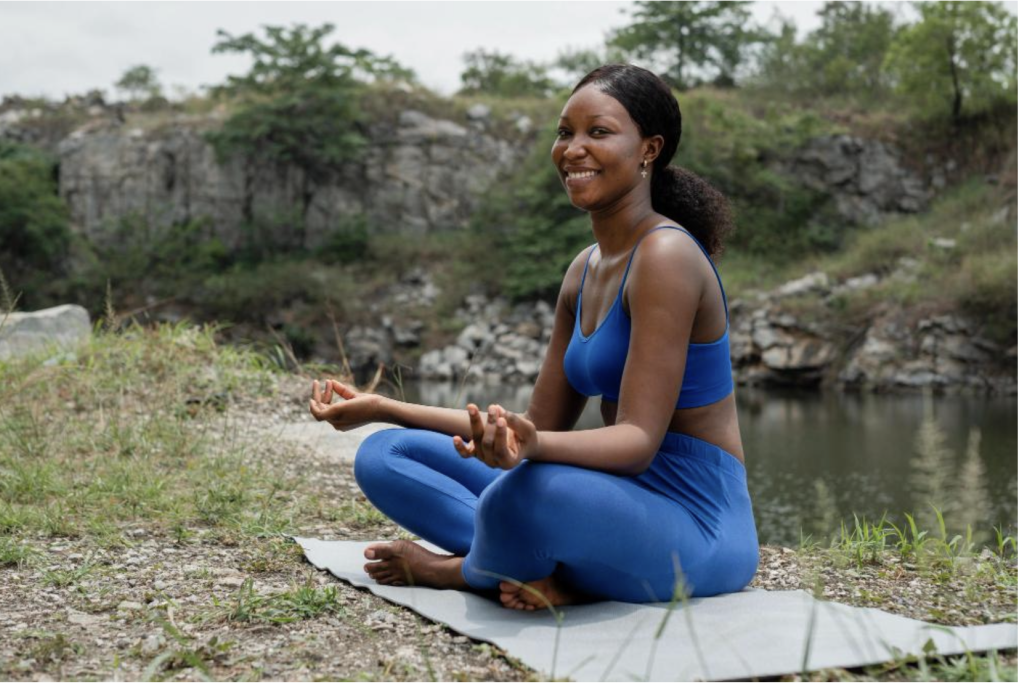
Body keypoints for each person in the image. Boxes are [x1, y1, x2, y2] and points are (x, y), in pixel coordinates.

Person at [309, 64, 758, 611]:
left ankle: (459, 572)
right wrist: (386, 407)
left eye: (599, 132)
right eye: (565, 132)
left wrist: (535, 448)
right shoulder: (584, 270)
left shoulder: (666, 257)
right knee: (386, 453)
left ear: (649, 149)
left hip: (697, 524)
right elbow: (534, 429)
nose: (573, 149)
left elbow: (637, 442)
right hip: (613, 501)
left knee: (528, 492)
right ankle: (551, 571)